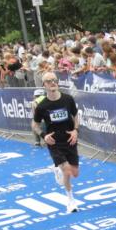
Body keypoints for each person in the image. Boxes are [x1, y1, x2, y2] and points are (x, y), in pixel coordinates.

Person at [32, 72, 81, 213]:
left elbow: (76, 116)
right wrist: (43, 135)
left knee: (75, 173)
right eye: (48, 81)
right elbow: (34, 125)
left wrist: (76, 130)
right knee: (67, 170)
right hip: (54, 142)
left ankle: (58, 168)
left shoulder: (68, 99)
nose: (52, 83)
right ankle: (71, 201)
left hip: (70, 140)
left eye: (54, 80)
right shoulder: (41, 106)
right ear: (44, 85)